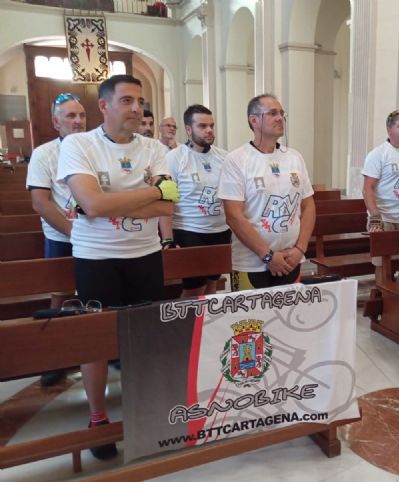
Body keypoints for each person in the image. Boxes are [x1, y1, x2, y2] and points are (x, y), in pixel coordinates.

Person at [57, 74, 179, 460]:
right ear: (104, 106)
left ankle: (145, 411)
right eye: (126, 100)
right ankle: (98, 418)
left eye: (139, 101)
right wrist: (150, 192)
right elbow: (91, 206)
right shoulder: (80, 145)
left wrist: (113, 199)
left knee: (146, 339)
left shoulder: (155, 148)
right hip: (96, 258)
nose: (136, 108)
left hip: (144, 256)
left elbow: (167, 205)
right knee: (95, 342)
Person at [218, 94, 315, 291]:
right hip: (251, 263)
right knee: (251, 321)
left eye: (281, 113)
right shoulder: (237, 159)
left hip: (291, 259)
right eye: (272, 113)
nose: (280, 118)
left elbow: (308, 205)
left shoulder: (294, 157)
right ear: (254, 120)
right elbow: (234, 216)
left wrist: (300, 249)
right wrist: (268, 255)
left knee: (288, 318)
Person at [26, 92, 86, 386]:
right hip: (62, 235)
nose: (77, 122)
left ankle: (101, 350)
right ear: (55, 122)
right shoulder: (44, 154)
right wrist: (72, 231)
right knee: (60, 295)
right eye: (70, 116)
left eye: (81, 116)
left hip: (95, 237)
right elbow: (41, 202)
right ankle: (54, 357)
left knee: (95, 293)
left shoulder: (93, 147)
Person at [164, 104, 230, 297]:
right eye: (202, 126)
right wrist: (167, 239)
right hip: (189, 231)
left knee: (212, 284)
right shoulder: (175, 158)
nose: (209, 130)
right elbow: (166, 201)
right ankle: (185, 326)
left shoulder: (223, 157)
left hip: (219, 230)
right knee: (193, 287)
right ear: (188, 129)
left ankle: (207, 326)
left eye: (211, 125)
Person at [362, 109, 399, 283]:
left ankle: (398, 298)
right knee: (382, 263)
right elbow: (368, 189)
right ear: (389, 130)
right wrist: (375, 217)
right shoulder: (378, 154)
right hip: (383, 216)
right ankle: (383, 298)